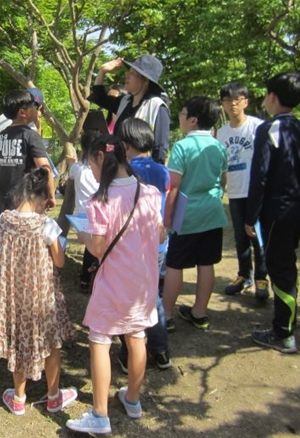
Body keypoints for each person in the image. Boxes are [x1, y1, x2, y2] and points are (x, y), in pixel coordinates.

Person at [66, 135, 162, 435]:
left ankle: (99, 414)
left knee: (100, 340)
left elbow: (96, 248)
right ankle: (133, 399)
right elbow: (160, 236)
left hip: (112, 284)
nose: (91, 171)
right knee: (137, 337)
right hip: (143, 283)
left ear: (99, 157)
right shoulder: (149, 192)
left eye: (89, 163)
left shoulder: (100, 200)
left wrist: (80, 231)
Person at [0, 167, 76, 416]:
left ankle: (18, 398)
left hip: (13, 295)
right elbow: (59, 262)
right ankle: (54, 397)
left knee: (18, 343)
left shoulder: (4, 219)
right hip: (41, 294)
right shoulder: (46, 224)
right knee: (51, 344)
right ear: (43, 197)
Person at [245, 72, 300, 354]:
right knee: (286, 265)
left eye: (266, 95)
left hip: (279, 211)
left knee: (281, 269)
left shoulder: (269, 129)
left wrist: (249, 216)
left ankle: (283, 334)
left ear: (273, 97)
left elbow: (260, 177)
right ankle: (285, 325)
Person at [162, 97, 227, 332]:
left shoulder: (182, 147)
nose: (179, 118)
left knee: (175, 264)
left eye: (182, 114)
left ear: (193, 120)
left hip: (187, 215)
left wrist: (167, 217)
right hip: (212, 211)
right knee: (206, 262)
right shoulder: (218, 146)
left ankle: (166, 315)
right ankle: (199, 313)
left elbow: (174, 186)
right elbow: (223, 180)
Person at [115, 118, 172, 372]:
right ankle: (160, 352)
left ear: (125, 145)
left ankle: (128, 354)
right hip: (157, 245)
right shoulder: (162, 171)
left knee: (128, 301)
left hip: (131, 249)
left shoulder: (124, 170)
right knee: (153, 297)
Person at [216, 83, 269, 300]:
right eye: (228, 100)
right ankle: (243, 276)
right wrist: (222, 188)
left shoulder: (258, 127)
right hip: (235, 193)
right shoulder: (221, 132)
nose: (233, 104)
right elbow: (223, 165)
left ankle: (261, 279)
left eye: (238, 99)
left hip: (255, 192)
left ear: (246, 101)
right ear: (223, 104)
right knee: (240, 238)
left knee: (258, 237)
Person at [88, 54, 170, 164]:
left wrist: (151, 176)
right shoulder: (125, 101)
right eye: (129, 71)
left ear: (145, 80)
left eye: (132, 73)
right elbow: (99, 97)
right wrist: (103, 71)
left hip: (142, 174)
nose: (127, 75)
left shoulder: (157, 106)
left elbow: (160, 150)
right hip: (120, 172)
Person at [0, 89, 55, 221]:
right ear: (22, 112)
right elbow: (45, 168)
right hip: (25, 204)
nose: (36, 109)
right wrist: (51, 195)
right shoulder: (30, 136)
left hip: (3, 206)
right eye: (33, 106)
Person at [66, 128, 100, 293]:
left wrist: (71, 159)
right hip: (99, 216)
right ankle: (93, 280)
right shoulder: (102, 168)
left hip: (82, 217)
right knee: (96, 249)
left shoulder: (78, 168)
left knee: (90, 249)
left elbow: (71, 173)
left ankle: (85, 281)